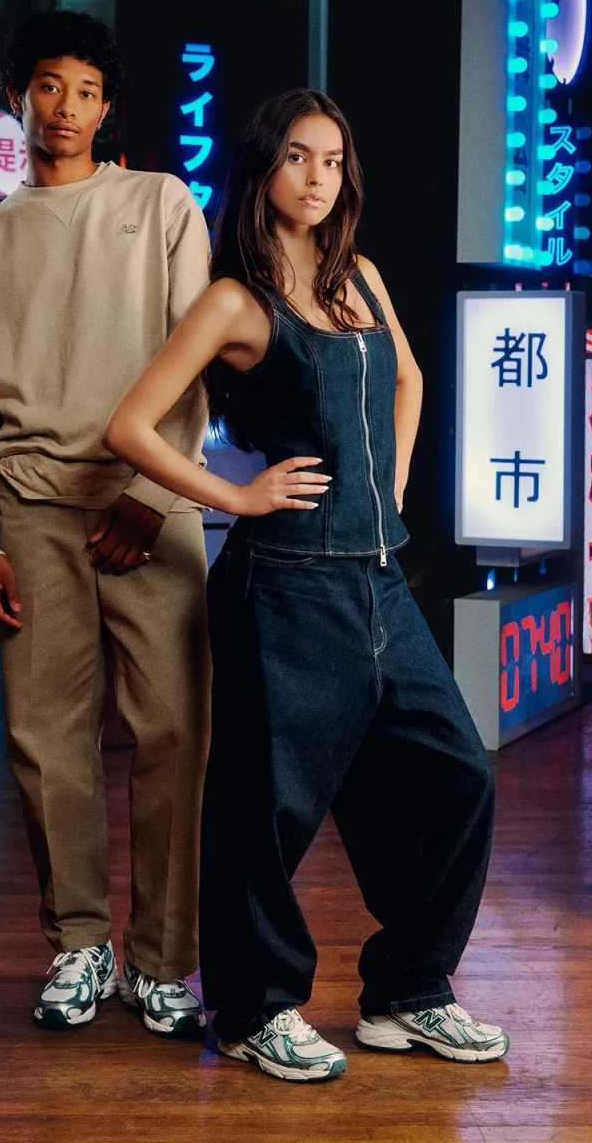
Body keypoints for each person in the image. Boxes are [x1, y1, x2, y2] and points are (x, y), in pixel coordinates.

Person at [104, 89, 509, 1080]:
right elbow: (130, 426)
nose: (319, 176)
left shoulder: (360, 278)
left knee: (460, 774)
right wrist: (237, 500)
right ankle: (252, 1008)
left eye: (332, 158)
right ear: (263, 171)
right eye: (298, 156)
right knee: (266, 810)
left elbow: (409, 379)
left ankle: (408, 991)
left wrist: (392, 482)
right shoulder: (237, 301)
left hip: (378, 582)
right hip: (283, 590)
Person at [0, 11, 211, 1038]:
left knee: (177, 732)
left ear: (110, 107)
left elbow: (195, 360)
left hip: (150, 505)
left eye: (86, 91)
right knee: (45, 738)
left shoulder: (160, 203)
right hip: (33, 511)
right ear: (21, 96)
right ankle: (81, 944)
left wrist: (156, 496)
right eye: (49, 87)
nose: (66, 109)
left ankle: (162, 960)